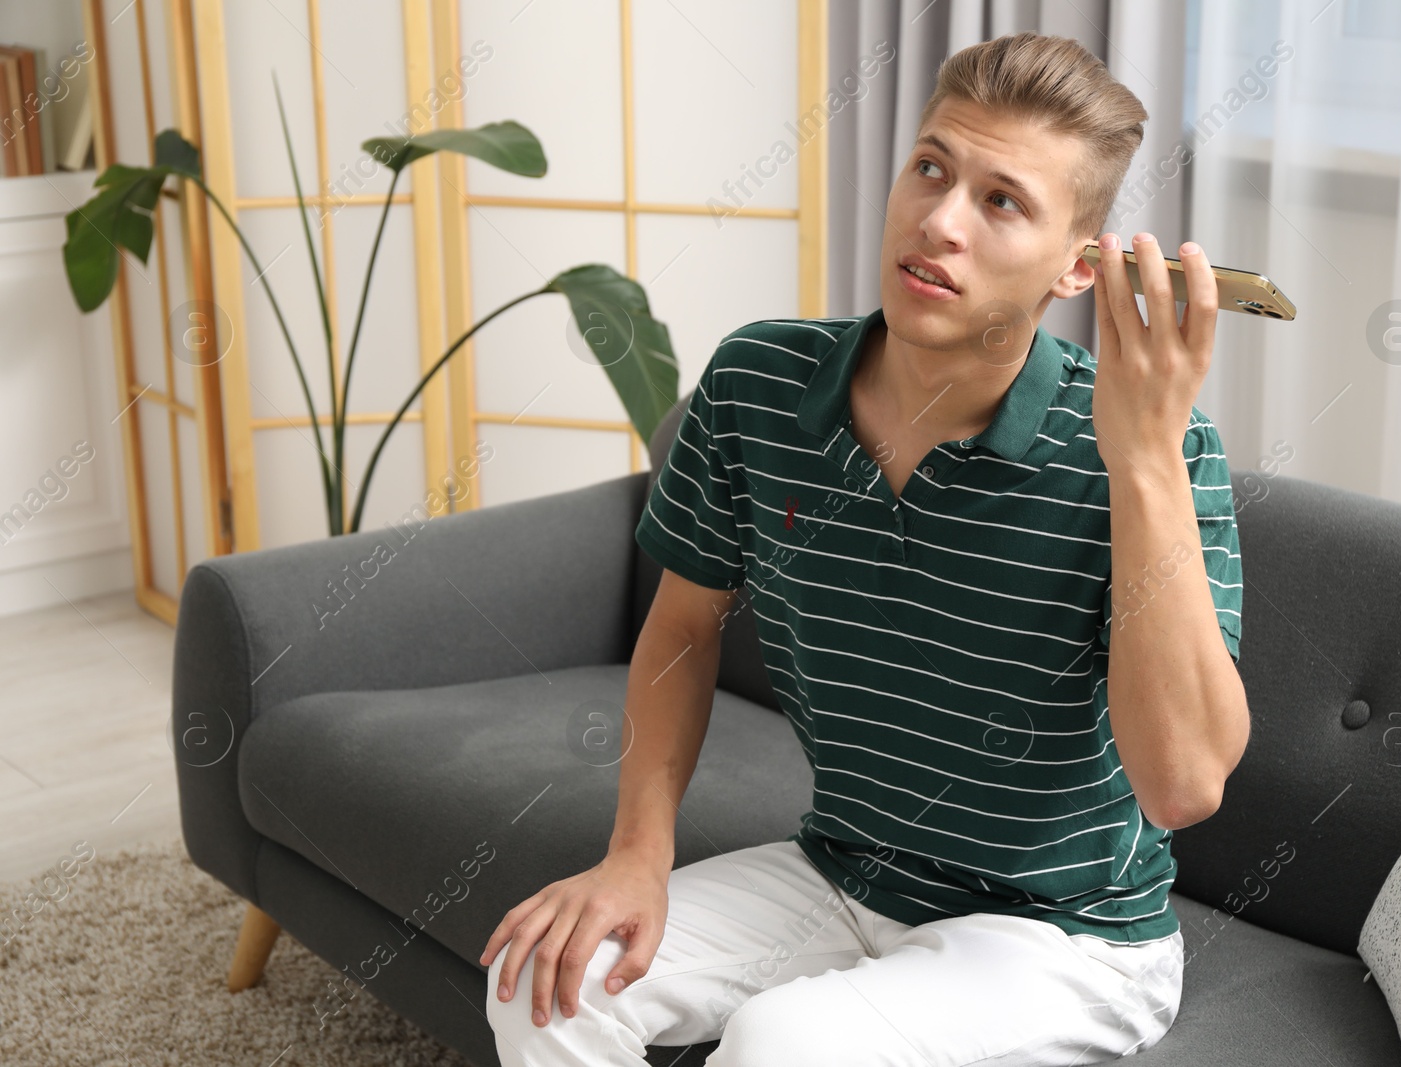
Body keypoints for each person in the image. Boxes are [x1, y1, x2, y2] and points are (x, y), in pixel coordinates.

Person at [481, 30, 1248, 1066]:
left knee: (779, 1040)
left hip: (1065, 937)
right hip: (843, 870)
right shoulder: (757, 381)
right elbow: (681, 622)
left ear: (1079, 266)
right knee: (545, 986)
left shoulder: (1153, 447)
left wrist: (1142, 458)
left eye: (1001, 201)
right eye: (929, 167)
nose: (938, 221)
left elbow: (1184, 786)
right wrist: (635, 855)